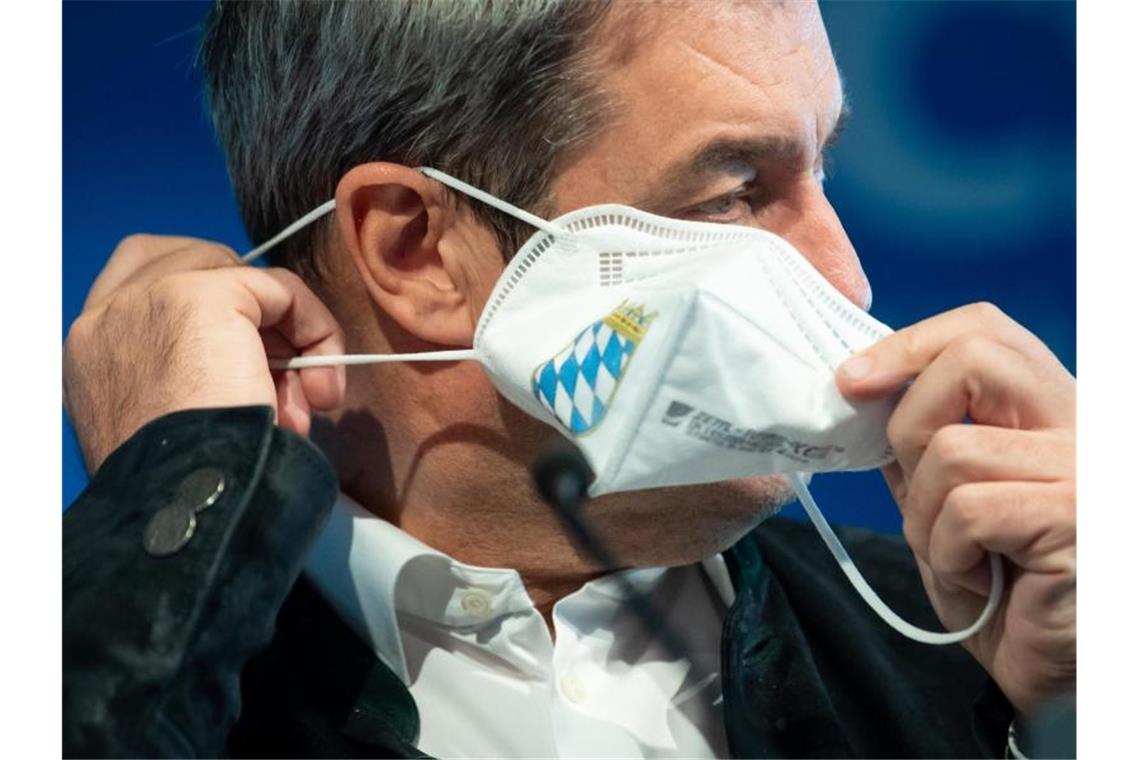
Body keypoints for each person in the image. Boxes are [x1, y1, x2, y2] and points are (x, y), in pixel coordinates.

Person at [62, 1, 1076, 757]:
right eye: (736, 192)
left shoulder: (977, 642)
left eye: (823, 172)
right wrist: (164, 529)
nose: (846, 275)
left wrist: (1075, 711)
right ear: (418, 251)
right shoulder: (86, 656)